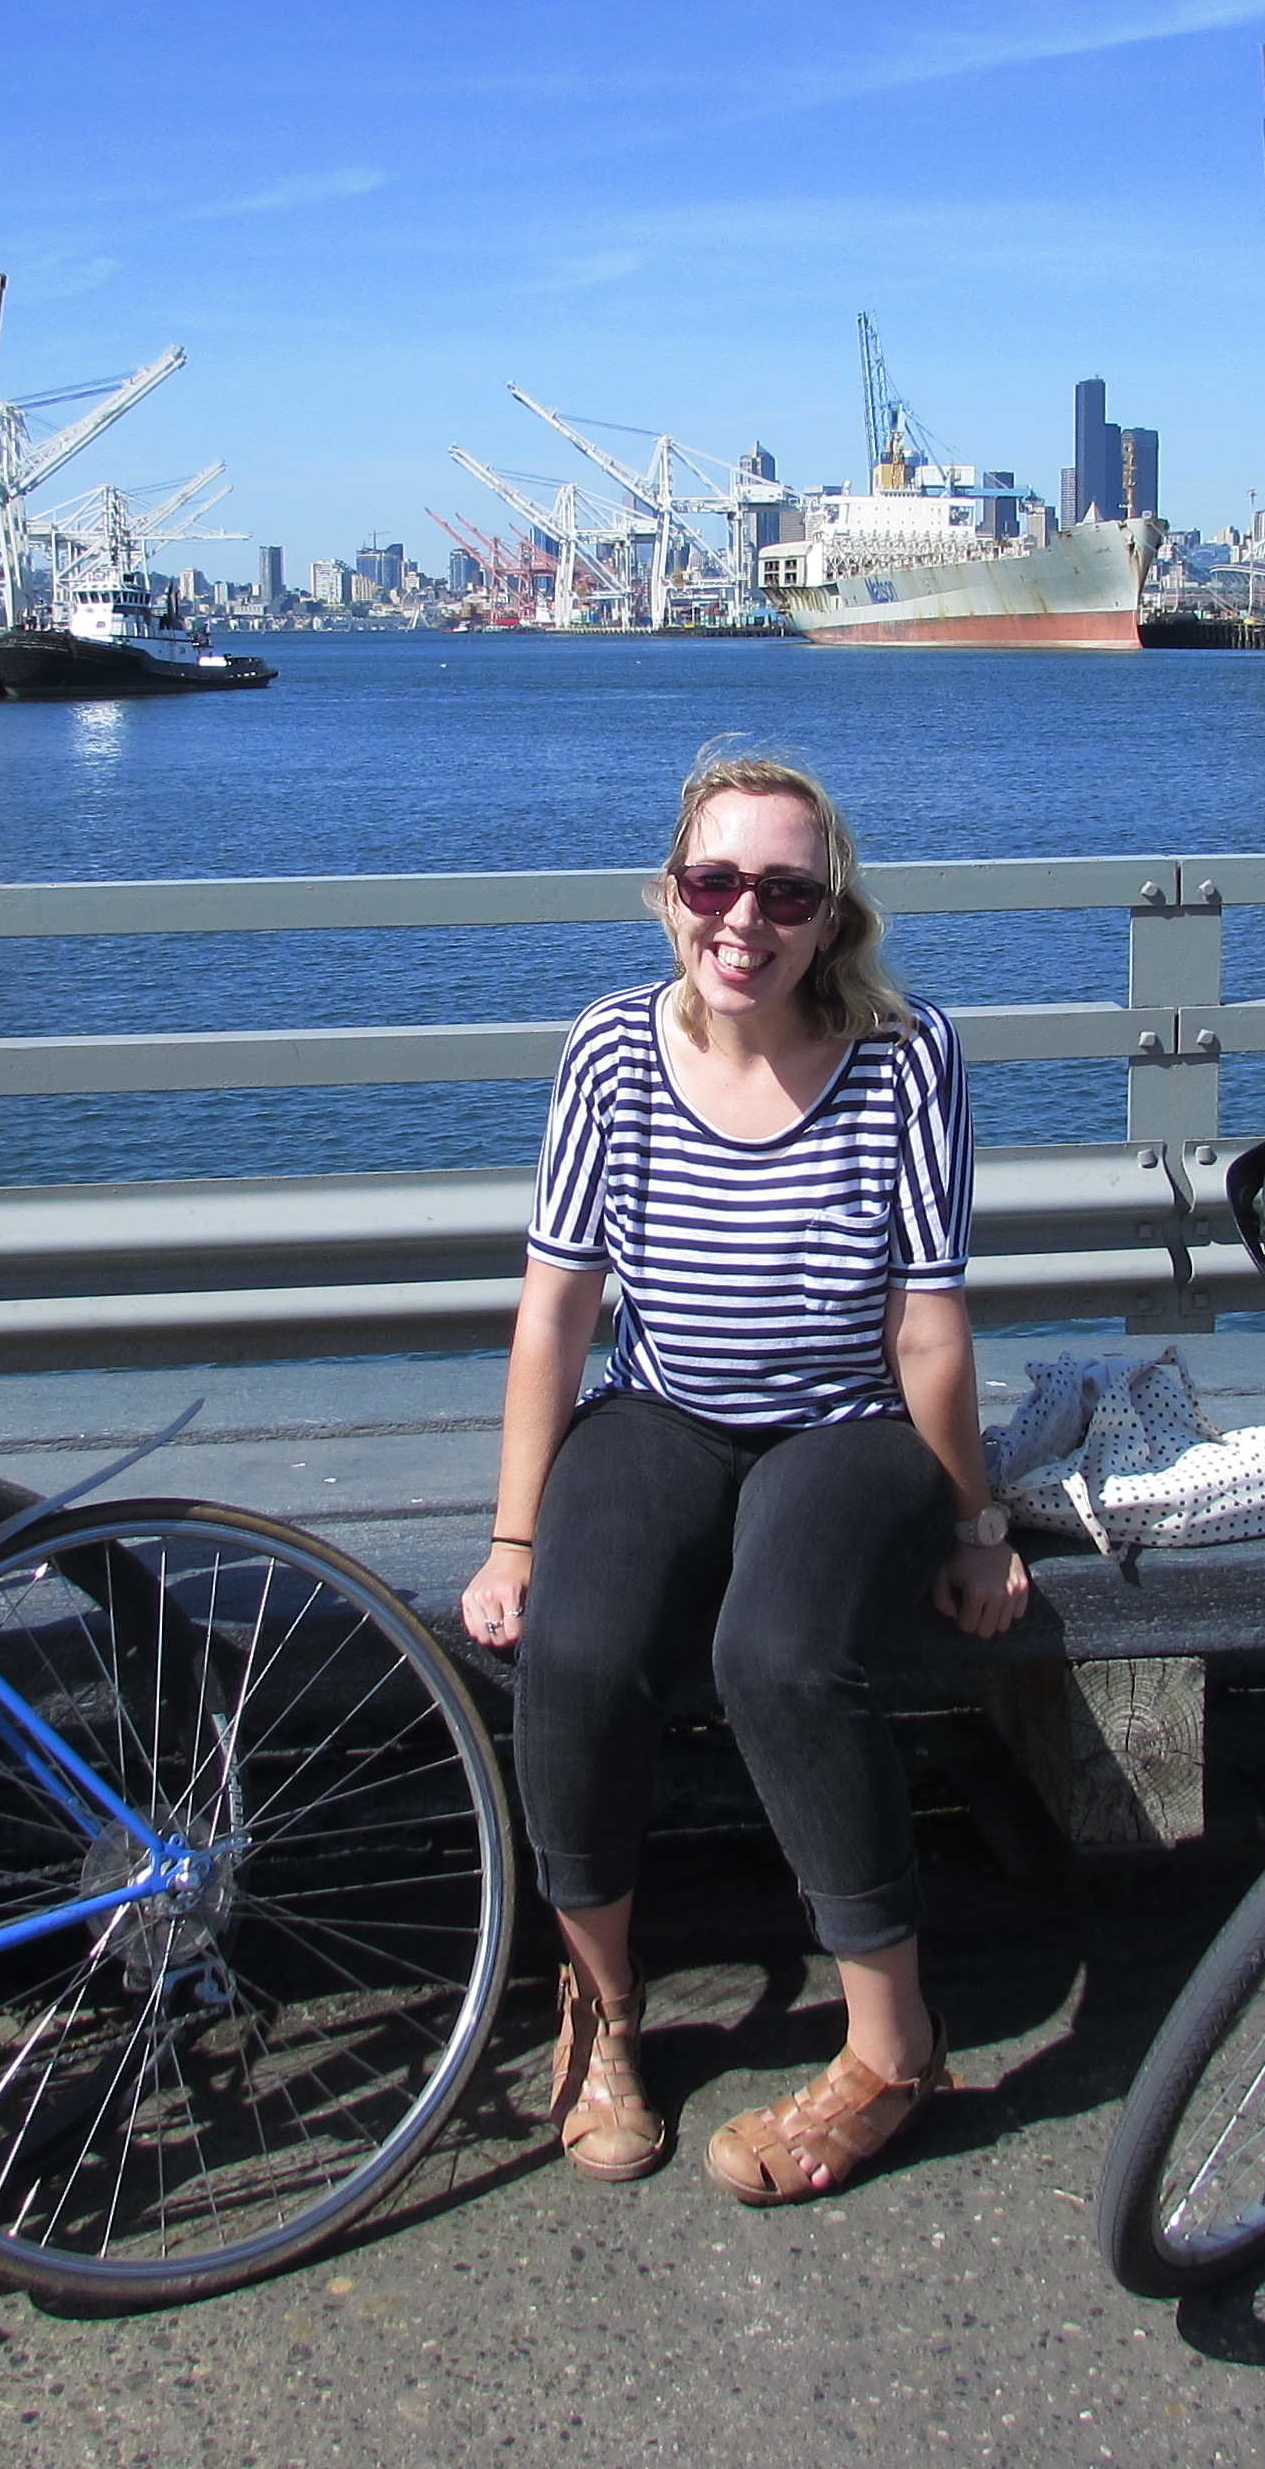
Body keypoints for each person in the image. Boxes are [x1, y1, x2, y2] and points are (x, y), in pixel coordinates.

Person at [459, 749, 1028, 2203]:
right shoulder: (611, 1049)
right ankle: (604, 2013)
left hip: (850, 1424)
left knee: (777, 1655)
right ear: (671, 895)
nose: (744, 920)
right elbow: (558, 1312)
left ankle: (893, 2048)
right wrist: (515, 1539)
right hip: (662, 1410)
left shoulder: (907, 1054)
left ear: (833, 916)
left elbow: (929, 1328)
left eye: (786, 892)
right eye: (715, 882)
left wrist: (975, 1523)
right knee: (578, 1651)